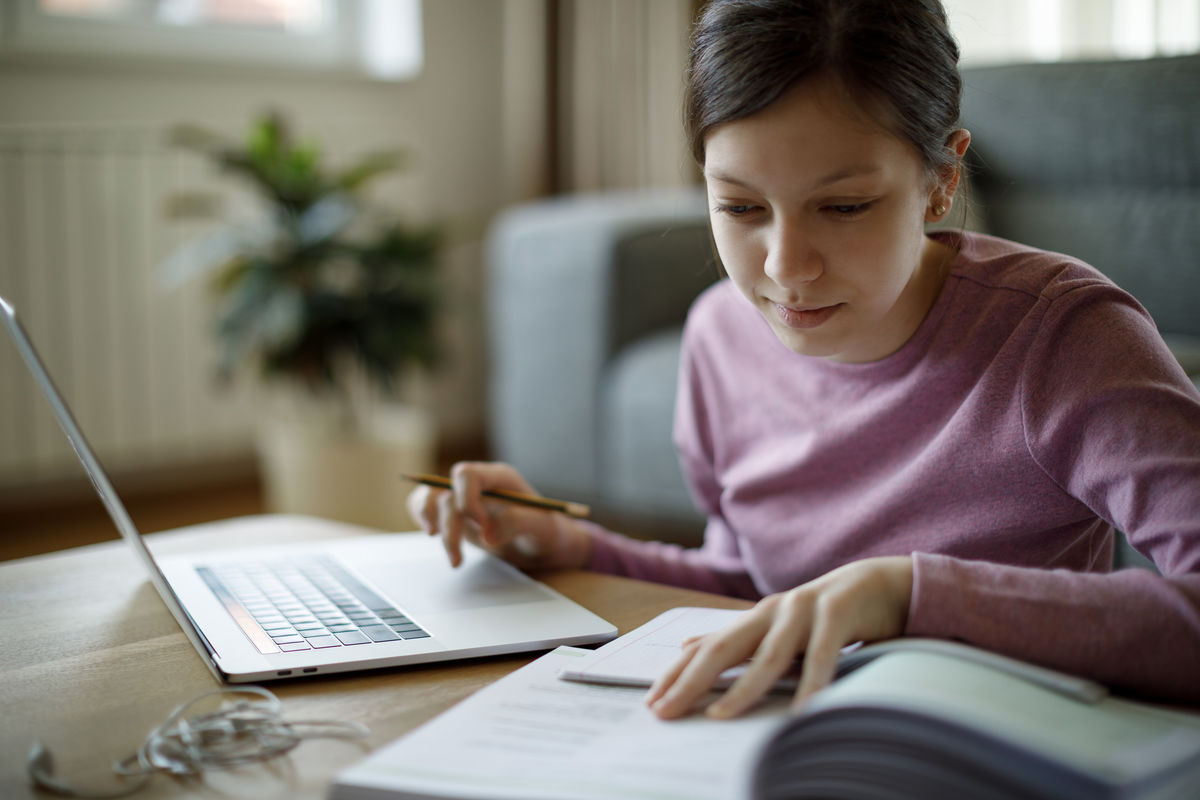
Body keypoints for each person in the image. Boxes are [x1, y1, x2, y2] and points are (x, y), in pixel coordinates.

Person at [408, 0, 1200, 719]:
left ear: (941, 180)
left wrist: (909, 595)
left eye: (844, 206)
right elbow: (757, 588)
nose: (786, 268)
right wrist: (574, 548)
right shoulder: (719, 336)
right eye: (741, 207)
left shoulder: (1063, 336)